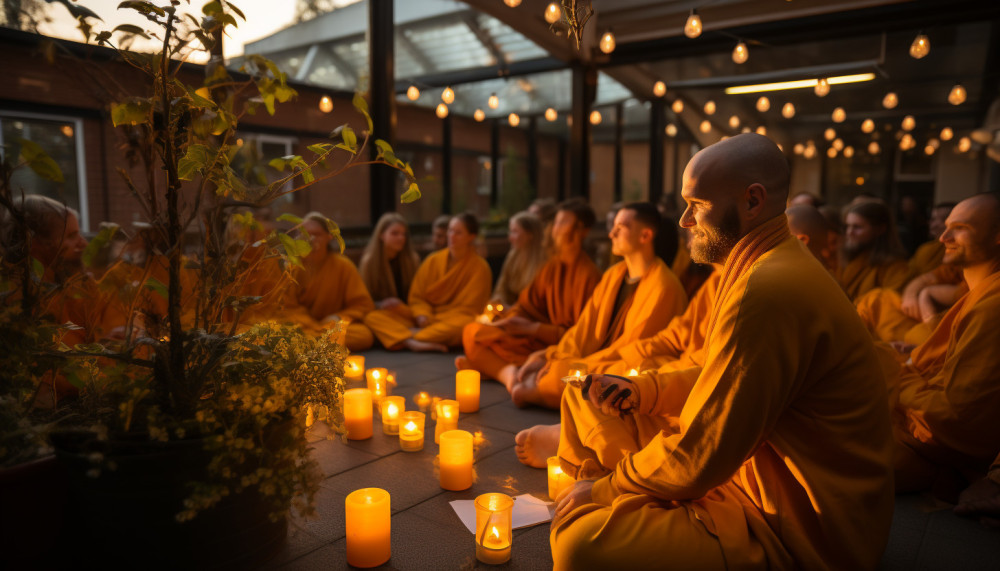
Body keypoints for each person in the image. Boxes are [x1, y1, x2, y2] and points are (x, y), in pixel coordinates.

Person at [550, 134, 894, 570]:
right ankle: (634, 489)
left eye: (697, 204)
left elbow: (705, 449)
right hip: (741, 467)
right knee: (585, 397)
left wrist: (606, 490)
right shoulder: (758, 265)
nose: (685, 220)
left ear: (753, 202)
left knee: (580, 545)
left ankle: (618, 493)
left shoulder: (767, 287)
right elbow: (722, 374)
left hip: (789, 524)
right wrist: (645, 391)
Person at [510, 202, 686, 409]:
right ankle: (540, 388)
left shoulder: (663, 285)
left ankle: (539, 390)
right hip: (595, 361)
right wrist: (553, 354)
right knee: (550, 369)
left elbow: (632, 349)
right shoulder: (614, 274)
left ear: (645, 236)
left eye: (620, 228)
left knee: (559, 375)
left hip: (619, 365)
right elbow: (584, 328)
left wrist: (574, 365)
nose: (611, 233)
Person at [890, 193, 1000, 498]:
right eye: (945, 226)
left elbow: (956, 419)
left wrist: (896, 374)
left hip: (935, 444)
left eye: (960, 227)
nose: (943, 237)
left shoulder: (993, 307)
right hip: (922, 420)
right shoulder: (977, 293)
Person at [458, 200, 601, 391]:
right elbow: (526, 304)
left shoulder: (589, 276)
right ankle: (507, 373)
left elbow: (582, 338)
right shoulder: (551, 266)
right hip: (530, 341)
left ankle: (496, 368)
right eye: (555, 222)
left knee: (560, 366)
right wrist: (511, 319)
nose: (555, 229)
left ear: (582, 231)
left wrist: (534, 329)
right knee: (472, 331)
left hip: (556, 348)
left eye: (563, 222)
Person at [364, 213, 491, 352]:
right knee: (373, 317)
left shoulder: (480, 268)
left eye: (458, 233)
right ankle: (415, 340)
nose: (452, 236)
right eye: (450, 230)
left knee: (466, 325)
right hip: (423, 320)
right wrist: (422, 315)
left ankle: (406, 336)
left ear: (471, 237)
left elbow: (469, 309)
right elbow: (417, 297)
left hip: (449, 322)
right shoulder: (433, 260)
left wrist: (432, 320)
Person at [279, 212, 376, 351]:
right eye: (305, 234)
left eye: (316, 234)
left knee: (364, 335)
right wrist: (311, 324)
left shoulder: (343, 265)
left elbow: (363, 305)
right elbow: (286, 307)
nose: (310, 238)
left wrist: (338, 317)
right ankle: (320, 344)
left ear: (329, 237)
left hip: (331, 327)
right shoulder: (292, 266)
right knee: (281, 331)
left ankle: (312, 345)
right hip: (303, 326)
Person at [836, 199, 912, 300]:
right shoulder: (846, 260)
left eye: (857, 227)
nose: (849, 232)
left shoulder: (896, 268)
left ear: (880, 229)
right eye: (848, 226)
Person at [358, 212, 421, 310]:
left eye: (404, 234)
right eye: (395, 233)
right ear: (381, 235)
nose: (401, 238)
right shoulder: (369, 262)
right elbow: (363, 299)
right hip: (382, 312)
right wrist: (382, 304)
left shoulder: (413, 259)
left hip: (407, 310)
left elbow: (419, 294)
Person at [489, 211, 547, 307]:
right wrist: (499, 302)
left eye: (515, 232)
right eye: (510, 231)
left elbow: (540, 300)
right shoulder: (513, 256)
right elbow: (501, 288)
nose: (510, 238)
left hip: (530, 313)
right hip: (510, 310)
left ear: (530, 235)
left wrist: (513, 310)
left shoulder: (544, 262)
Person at [909, 202, 956, 275]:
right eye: (933, 219)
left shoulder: (958, 250)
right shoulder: (925, 249)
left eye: (944, 219)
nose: (934, 225)